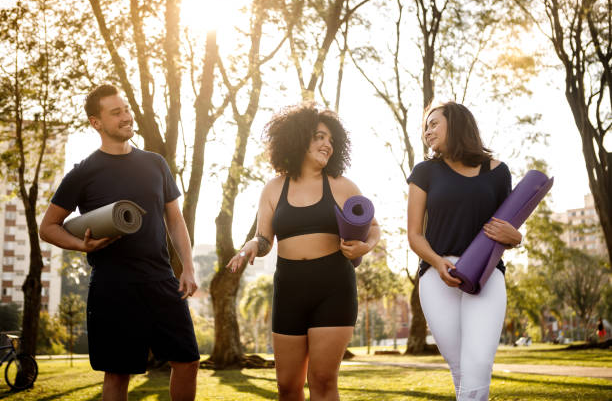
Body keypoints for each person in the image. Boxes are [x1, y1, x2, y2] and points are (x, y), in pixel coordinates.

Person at [39, 84, 200, 401]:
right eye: (116, 113)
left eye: (126, 109)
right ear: (96, 122)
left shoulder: (156, 164)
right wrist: (81, 246)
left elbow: (175, 219)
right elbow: (48, 227)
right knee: (117, 374)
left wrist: (189, 268)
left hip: (160, 279)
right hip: (113, 286)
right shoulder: (83, 173)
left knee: (188, 361)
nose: (126, 117)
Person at [227, 103, 380, 401]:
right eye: (319, 137)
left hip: (333, 288)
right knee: (287, 386)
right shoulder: (273, 189)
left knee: (322, 381)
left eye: (331, 140)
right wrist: (249, 245)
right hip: (289, 289)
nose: (327, 145)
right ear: (298, 138)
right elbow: (264, 239)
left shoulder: (342, 185)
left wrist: (365, 246)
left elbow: (373, 227)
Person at [407, 101, 522, 400]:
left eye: (434, 124)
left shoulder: (498, 172)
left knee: (478, 364)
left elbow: (506, 231)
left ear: (456, 123)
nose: (428, 131)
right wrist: (437, 262)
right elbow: (415, 235)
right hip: (436, 276)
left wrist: (516, 237)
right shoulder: (425, 172)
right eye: (425, 127)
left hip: (486, 276)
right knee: (460, 369)